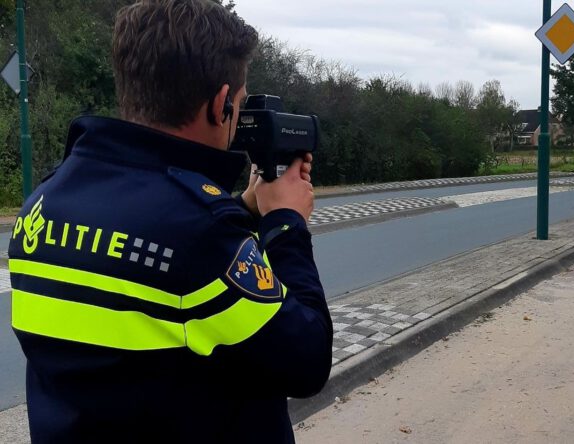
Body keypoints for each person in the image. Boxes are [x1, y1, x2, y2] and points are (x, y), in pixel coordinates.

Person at [7, 1, 333, 442]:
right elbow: (307, 361)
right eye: (237, 106)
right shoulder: (201, 230)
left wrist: (245, 209)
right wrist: (287, 223)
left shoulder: (43, 204)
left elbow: (159, 271)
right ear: (221, 104)